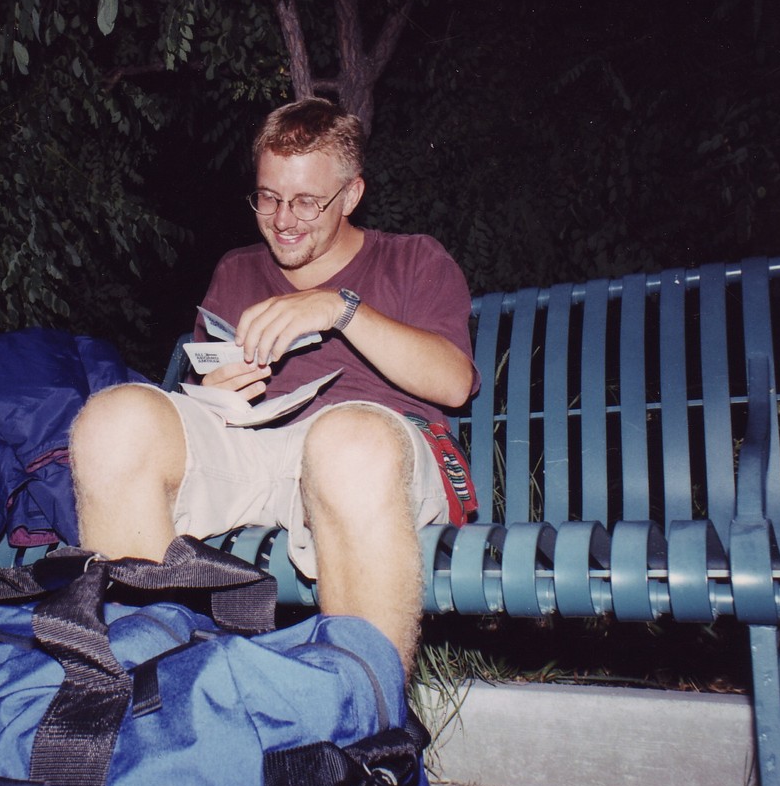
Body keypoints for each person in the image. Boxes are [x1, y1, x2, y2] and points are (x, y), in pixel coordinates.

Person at [68, 97, 478, 674]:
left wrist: (340, 309)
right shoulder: (236, 271)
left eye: (308, 202)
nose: (283, 219)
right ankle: (152, 691)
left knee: (346, 443)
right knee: (113, 422)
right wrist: (214, 389)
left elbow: (454, 382)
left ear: (352, 195)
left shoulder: (412, 260)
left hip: (373, 451)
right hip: (257, 447)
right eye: (268, 197)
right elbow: (196, 399)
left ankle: (369, 720)